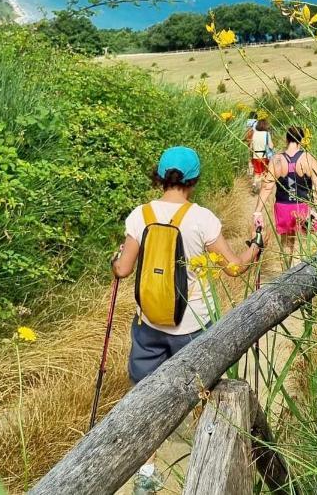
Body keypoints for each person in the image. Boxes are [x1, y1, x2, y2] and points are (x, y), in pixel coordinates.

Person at [112, 145, 262, 494]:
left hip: (147, 325)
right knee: (205, 395)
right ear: (193, 180)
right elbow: (234, 270)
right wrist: (254, 248)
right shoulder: (203, 219)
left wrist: (114, 260)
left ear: (160, 176)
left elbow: (122, 269)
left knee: (144, 399)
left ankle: (146, 474)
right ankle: (202, 465)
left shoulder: (139, 215)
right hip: (193, 326)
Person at [253, 126, 317, 262]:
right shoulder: (308, 158)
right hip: (303, 206)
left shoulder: (277, 159)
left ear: (286, 139)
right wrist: (315, 209)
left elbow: (267, 187)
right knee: (302, 244)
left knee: (286, 244)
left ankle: (286, 275)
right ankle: (300, 276)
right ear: (301, 140)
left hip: (283, 207)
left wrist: (257, 212)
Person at [250, 118, 273, 194]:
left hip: (255, 156)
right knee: (265, 173)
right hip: (264, 157)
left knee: (257, 173)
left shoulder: (254, 133)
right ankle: (263, 190)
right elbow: (271, 146)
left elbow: (251, 147)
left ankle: (255, 183)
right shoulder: (267, 134)